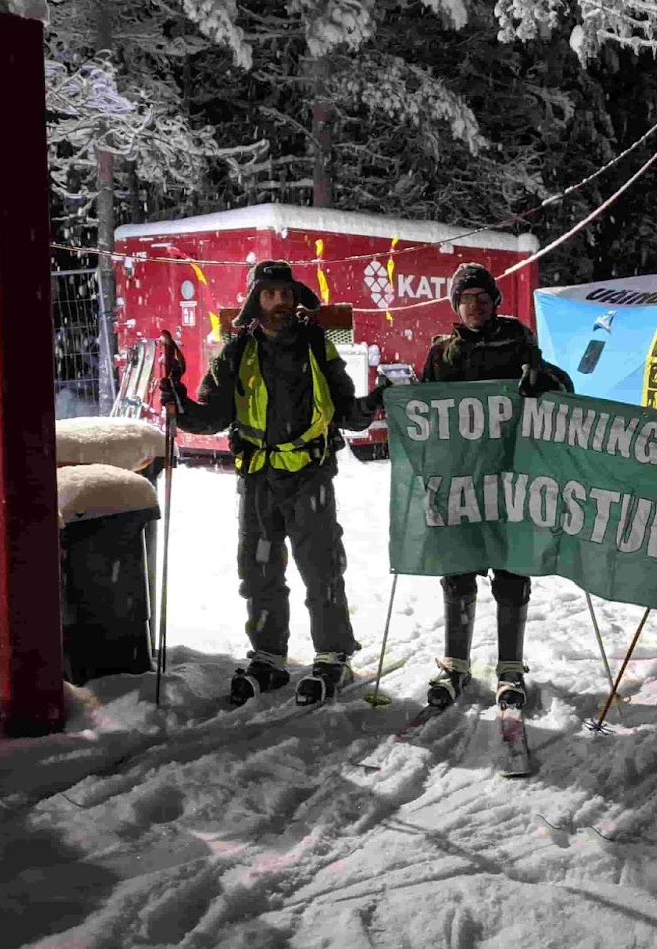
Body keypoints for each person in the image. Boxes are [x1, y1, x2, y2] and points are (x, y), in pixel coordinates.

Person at [161, 260, 388, 706]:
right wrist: (180, 405)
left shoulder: (317, 346)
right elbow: (213, 414)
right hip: (258, 479)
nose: (280, 302)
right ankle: (268, 655)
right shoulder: (236, 352)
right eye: (269, 295)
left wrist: (375, 403)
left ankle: (333, 655)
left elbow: (344, 409)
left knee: (321, 567)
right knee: (258, 570)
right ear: (255, 301)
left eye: (285, 294)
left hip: (310, 475)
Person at [419, 262, 572, 711]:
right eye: (466, 300)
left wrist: (545, 381)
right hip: (461, 476)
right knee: (458, 568)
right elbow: (424, 410)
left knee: (510, 567)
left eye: (482, 298)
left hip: (509, 474)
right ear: (455, 306)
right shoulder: (442, 352)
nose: (475, 307)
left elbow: (561, 384)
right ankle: (455, 664)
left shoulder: (518, 339)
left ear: (495, 302)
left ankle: (510, 667)